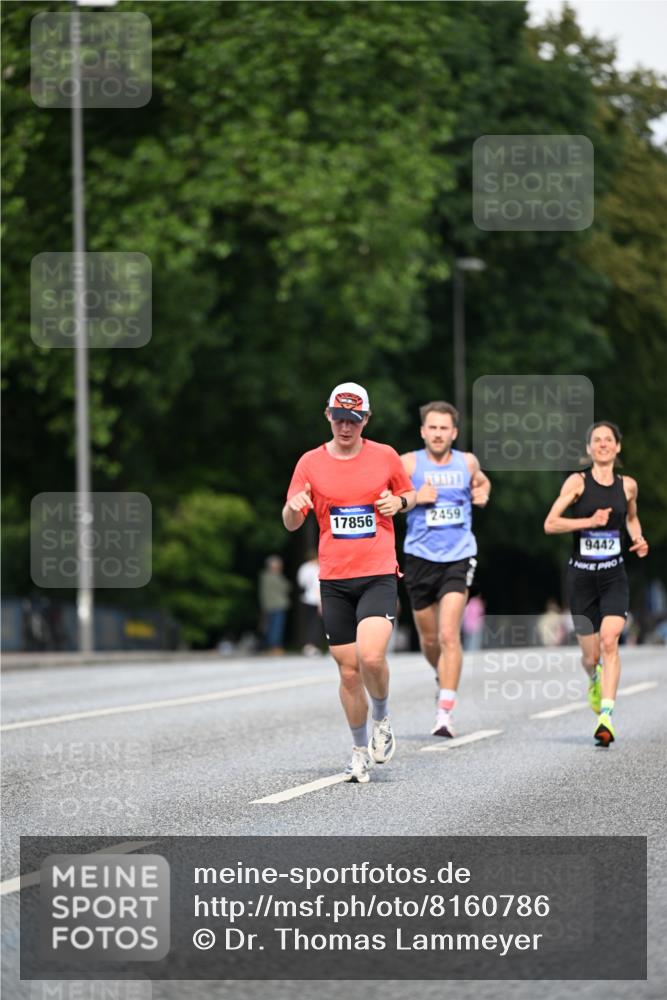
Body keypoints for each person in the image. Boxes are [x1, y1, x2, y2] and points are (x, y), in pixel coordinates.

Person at [283, 381, 416, 783]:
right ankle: (359, 750)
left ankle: (382, 719)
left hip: (377, 573)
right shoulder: (310, 463)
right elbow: (290, 522)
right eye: (339, 419)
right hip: (335, 579)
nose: (345, 427)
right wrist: (293, 507)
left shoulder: (385, 456)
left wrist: (399, 502)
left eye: (353, 421)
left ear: (366, 420)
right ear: (328, 415)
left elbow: (409, 494)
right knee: (348, 673)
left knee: (371, 657)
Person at [544, 421, 649, 746]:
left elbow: (631, 517)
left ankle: (606, 715)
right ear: (589, 448)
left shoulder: (628, 486)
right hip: (582, 578)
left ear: (617, 447)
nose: (603, 444)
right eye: (597, 440)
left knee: (610, 641)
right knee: (591, 657)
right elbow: (550, 523)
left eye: (608, 440)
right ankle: (594, 678)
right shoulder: (577, 482)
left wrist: (638, 538)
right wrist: (589, 521)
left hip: (614, 575)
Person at [401, 401, 491, 737]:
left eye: (444, 428)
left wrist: (482, 494)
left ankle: (444, 713)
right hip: (419, 557)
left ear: (454, 433)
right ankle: (443, 675)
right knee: (429, 639)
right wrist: (415, 496)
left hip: (459, 556)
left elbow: (482, 482)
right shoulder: (408, 463)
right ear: (423, 431)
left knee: (448, 634)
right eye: (432, 428)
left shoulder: (467, 462)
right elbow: (387, 501)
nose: (438, 434)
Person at [258, 555, 291, 654]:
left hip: (268, 605)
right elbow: (287, 587)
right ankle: (275, 646)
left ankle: (269, 646)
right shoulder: (276, 577)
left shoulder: (264, 577)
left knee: (270, 627)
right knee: (276, 627)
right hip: (278, 605)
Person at [297, 550, 323, 655]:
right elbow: (318, 586)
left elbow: (301, 583)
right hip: (315, 599)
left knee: (309, 623)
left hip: (306, 598)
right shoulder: (316, 568)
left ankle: (308, 645)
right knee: (315, 624)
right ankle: (312, 645)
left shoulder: (303, 567)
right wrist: (320, 602)